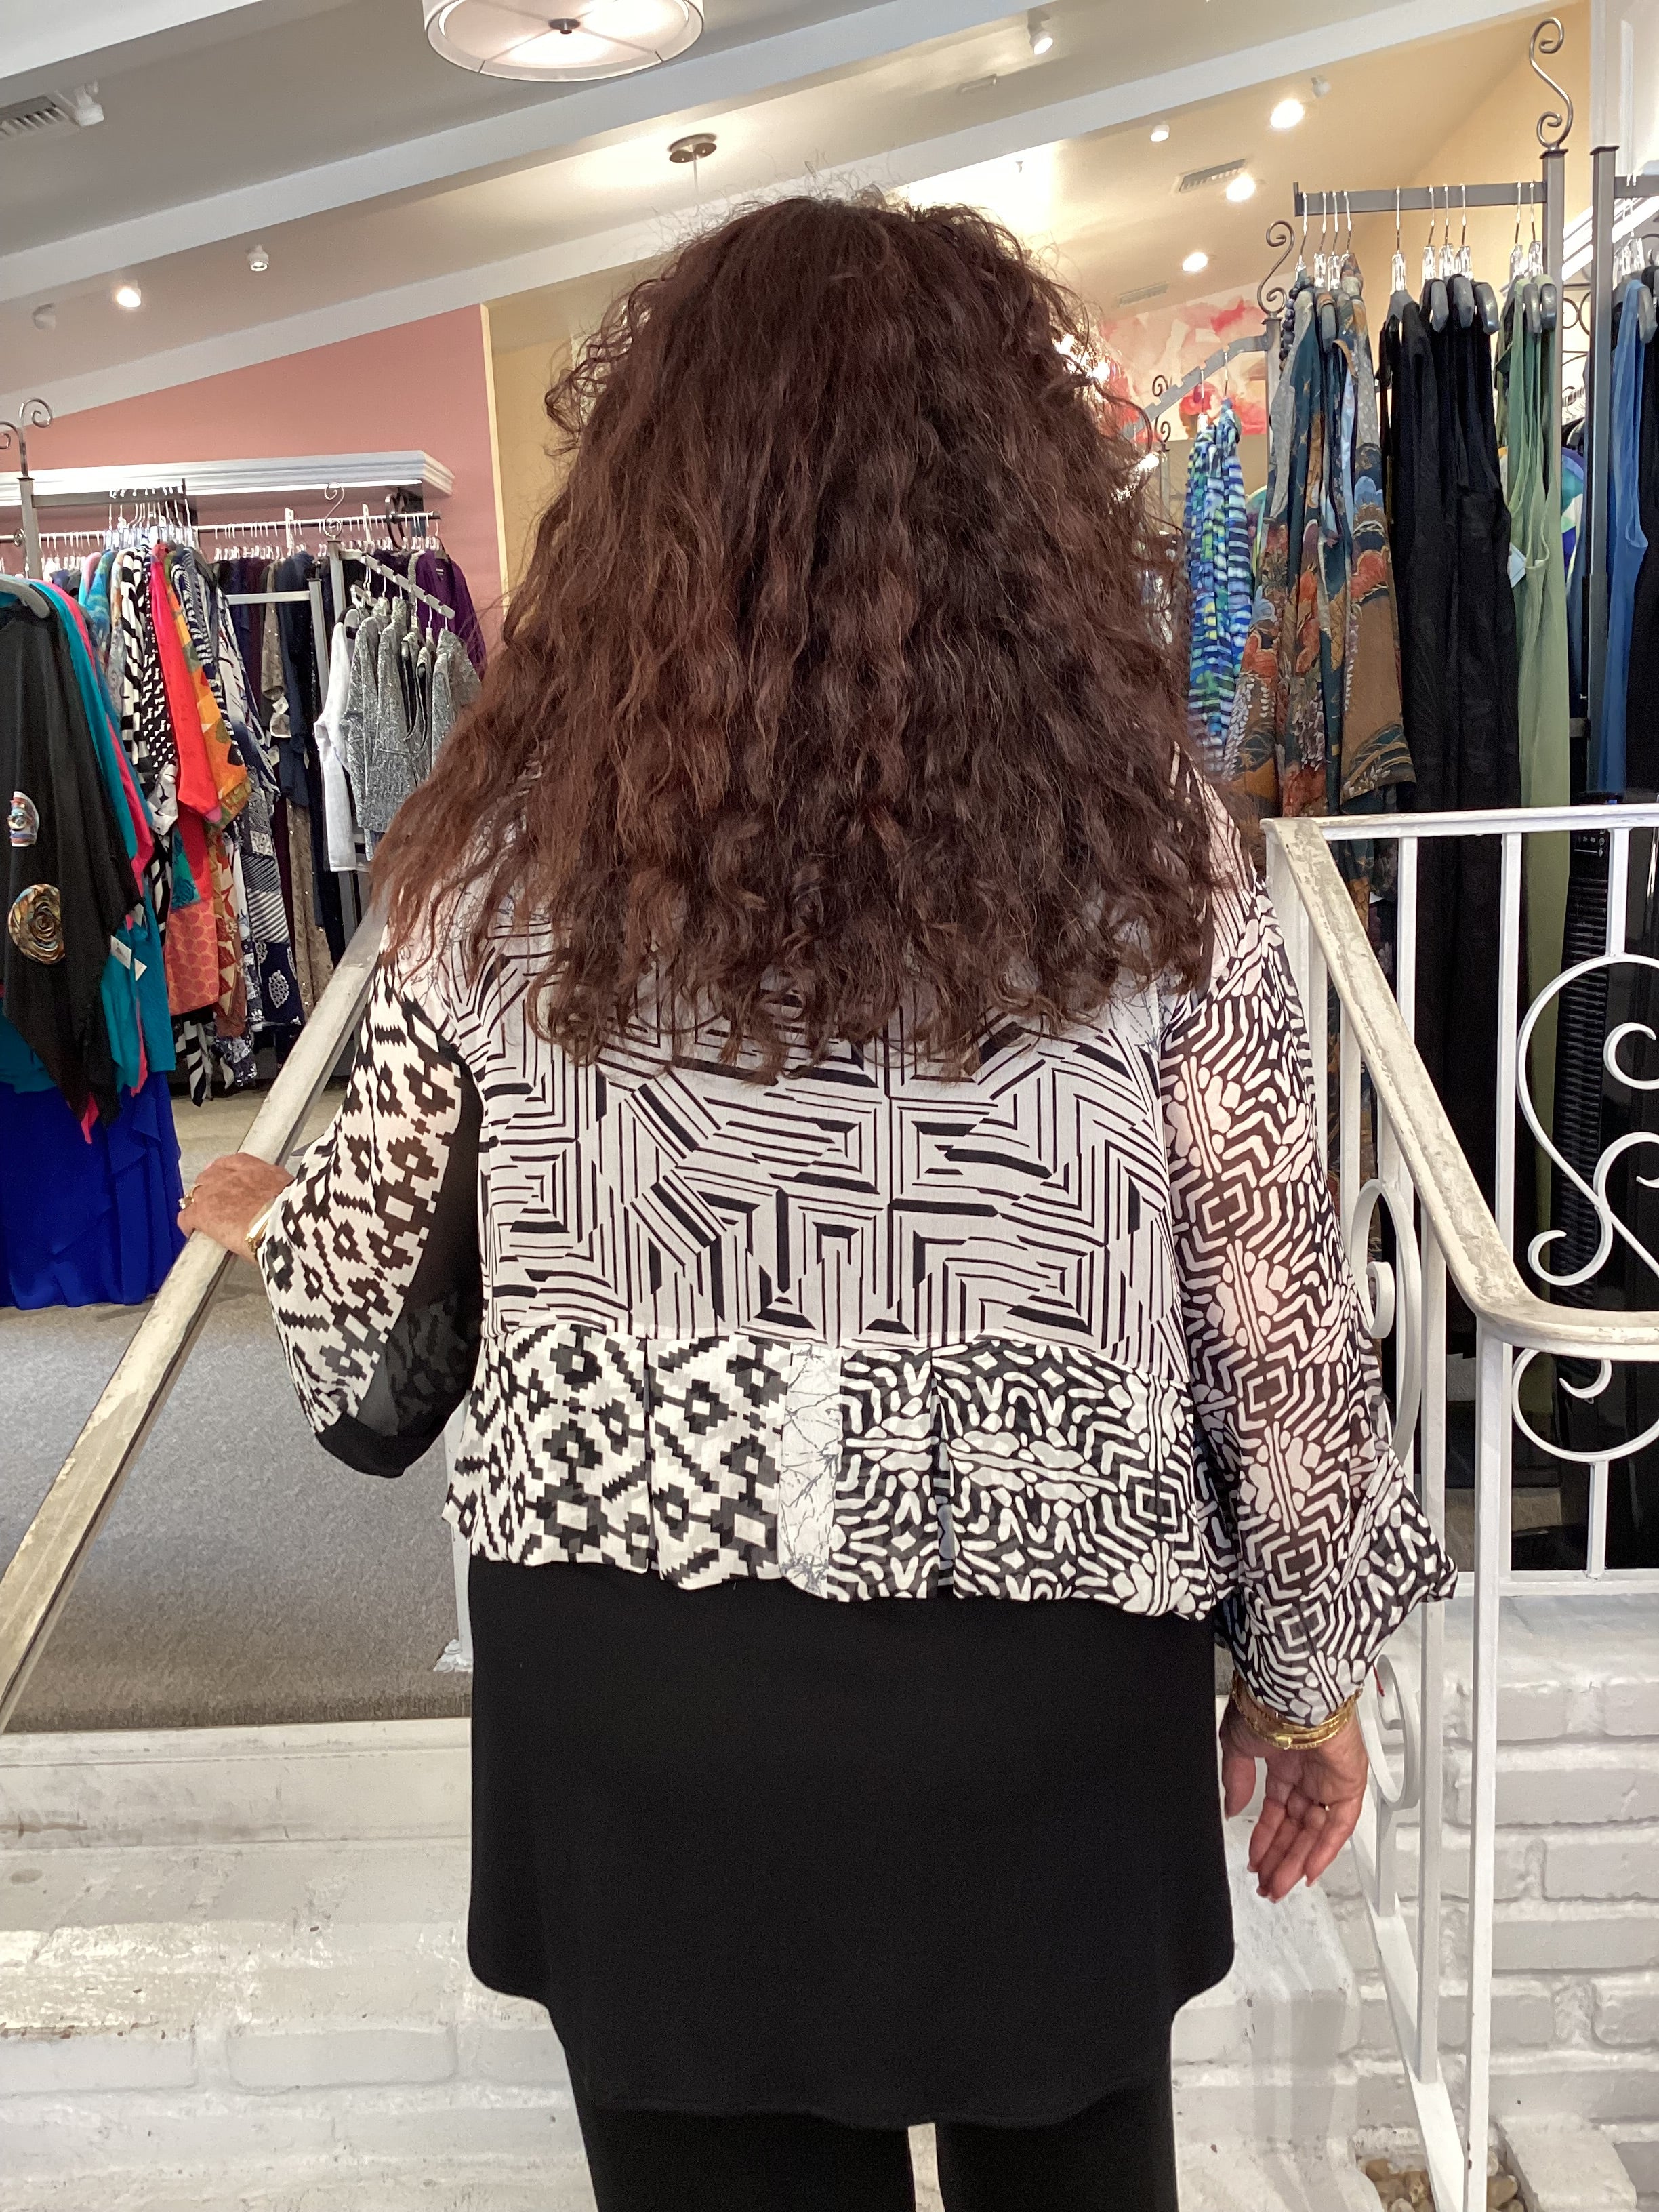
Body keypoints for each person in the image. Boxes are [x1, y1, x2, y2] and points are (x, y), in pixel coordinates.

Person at [182, 195, 1456, 2212]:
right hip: (1034, 1679)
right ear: (1021, 501)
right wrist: (1304, 1684)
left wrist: (280, 1217)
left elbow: (365, 1335)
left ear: (647, 501)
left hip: (642, 1694)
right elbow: (1276, 1321)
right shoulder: (1146, 848)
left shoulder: (498, 864)